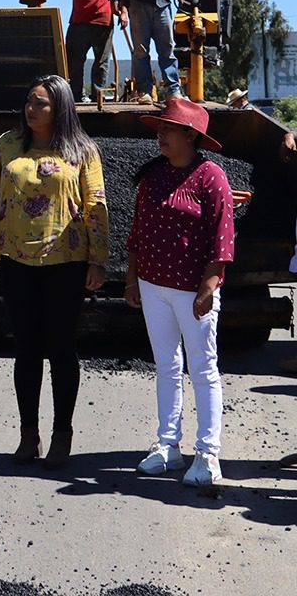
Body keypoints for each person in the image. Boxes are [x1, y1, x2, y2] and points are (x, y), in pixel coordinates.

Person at [0, 75, 108, 469]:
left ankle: (63, 433)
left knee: (61, 348)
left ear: (60, 107)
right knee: (26, 349)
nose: (32, 109)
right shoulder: (7, 145)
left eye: (41, 103)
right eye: (29, 101)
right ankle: (29, 434)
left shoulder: (82, 150)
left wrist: (99, 259)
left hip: (67, 262)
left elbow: (96, 205)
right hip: (15, 260)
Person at [124, 98, 234, 487]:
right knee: (167, 366)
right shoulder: (153, 177)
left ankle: (208, 453)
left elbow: (223, 239)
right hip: (154, 287)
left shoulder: (211, 177)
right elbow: (137, 233)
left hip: (193, 291)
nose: (160, 135)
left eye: (168, 129)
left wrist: (208, 287)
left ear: (191, 135)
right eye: (160, 128)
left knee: (203, 369)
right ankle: (167, 445)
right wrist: (133, 278)